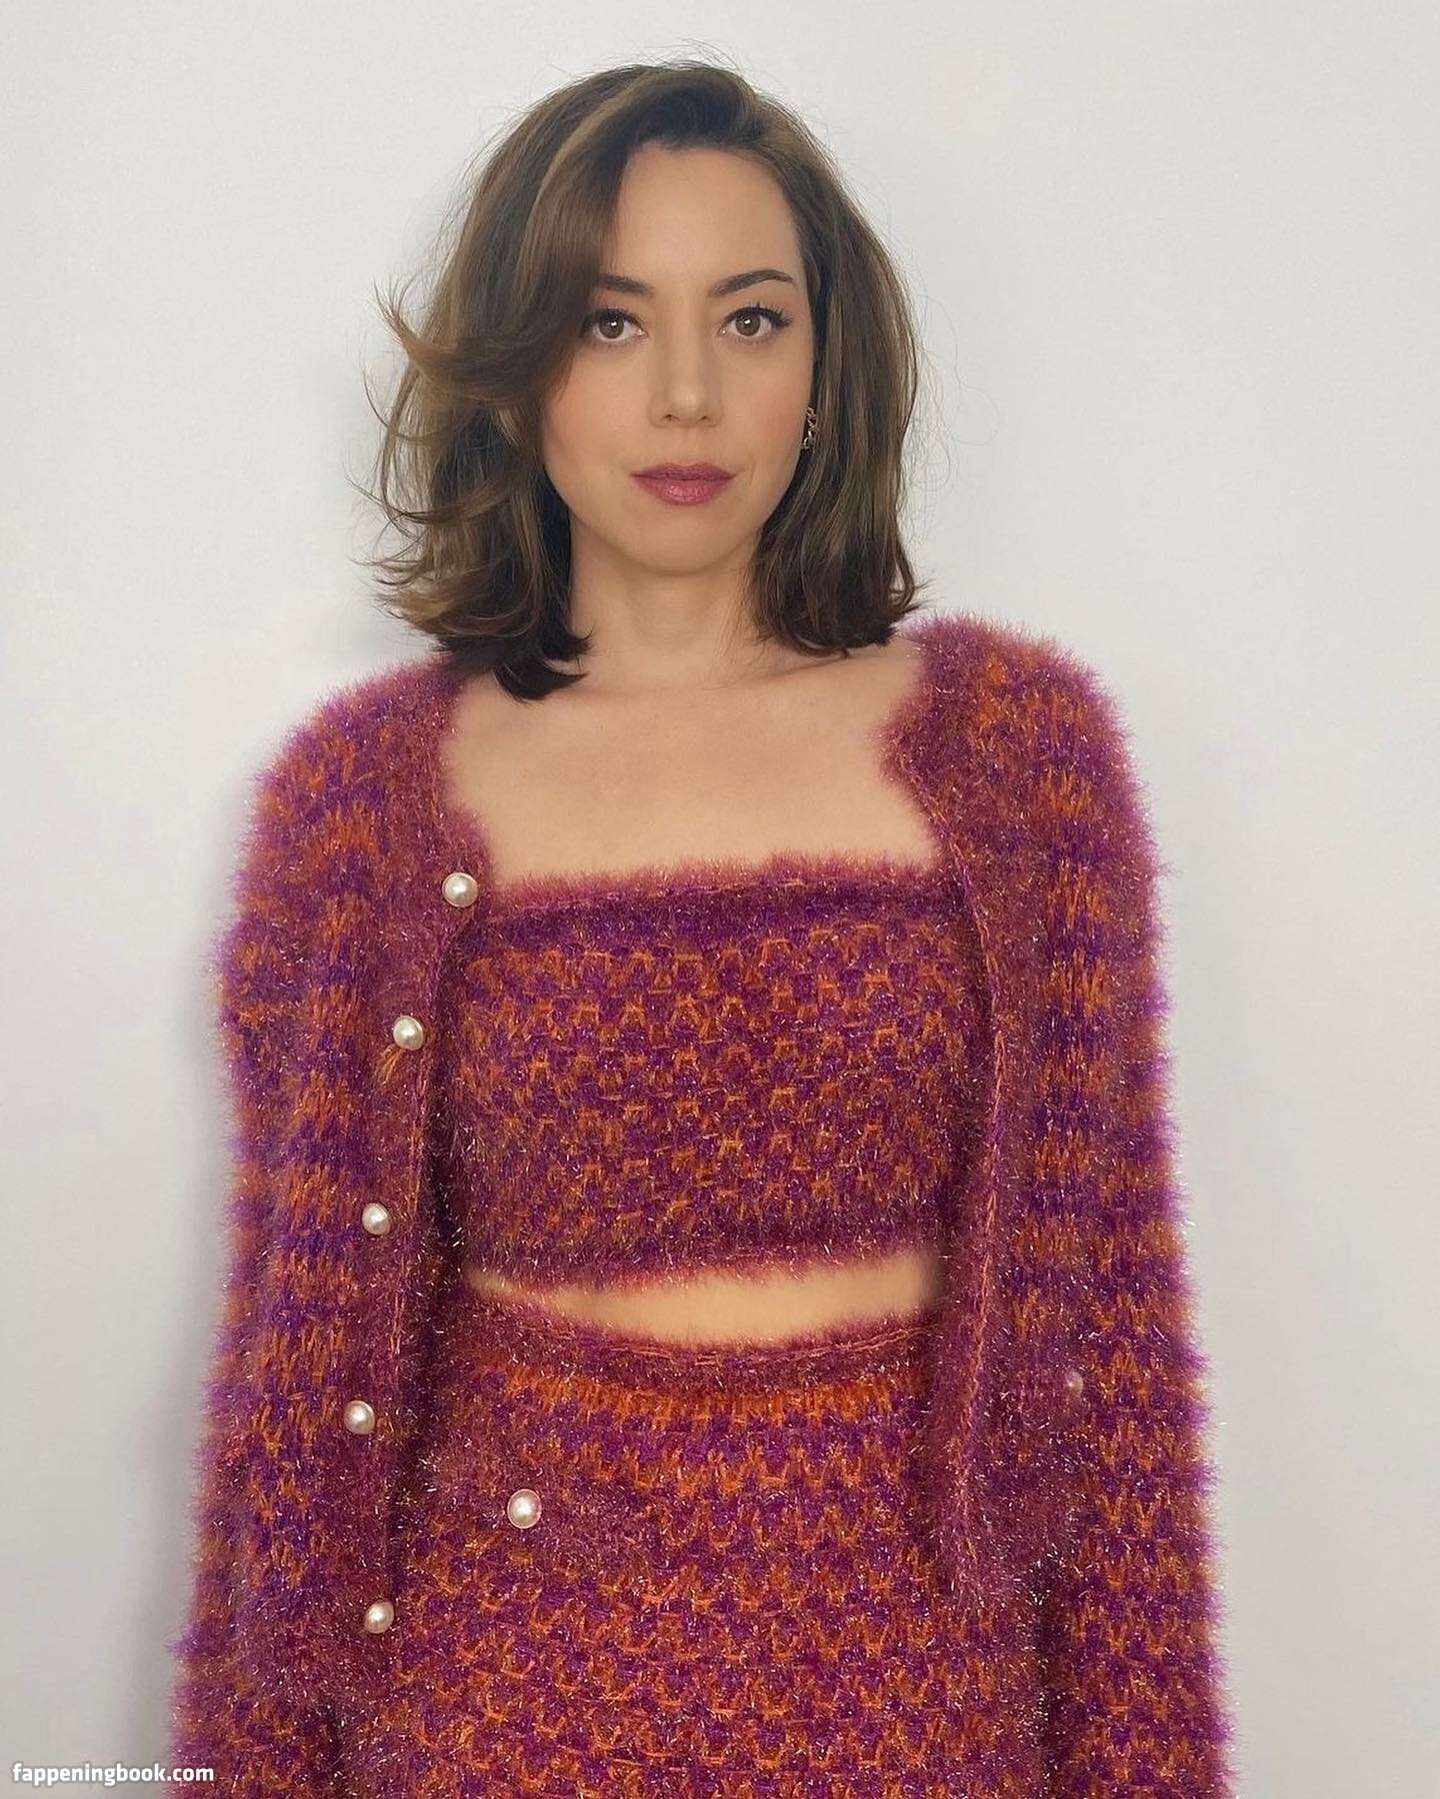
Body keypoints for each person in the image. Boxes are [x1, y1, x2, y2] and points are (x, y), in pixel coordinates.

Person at [166, 57, 1238, 1795]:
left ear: (827, 365)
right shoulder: (361, 808)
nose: (685, 393)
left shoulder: (1014, 758)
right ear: (518, 367)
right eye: (610, 321)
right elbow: (296, 1411)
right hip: (493, 1714)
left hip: (925, 1716)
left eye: (750, 320)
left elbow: (1110, 1363)